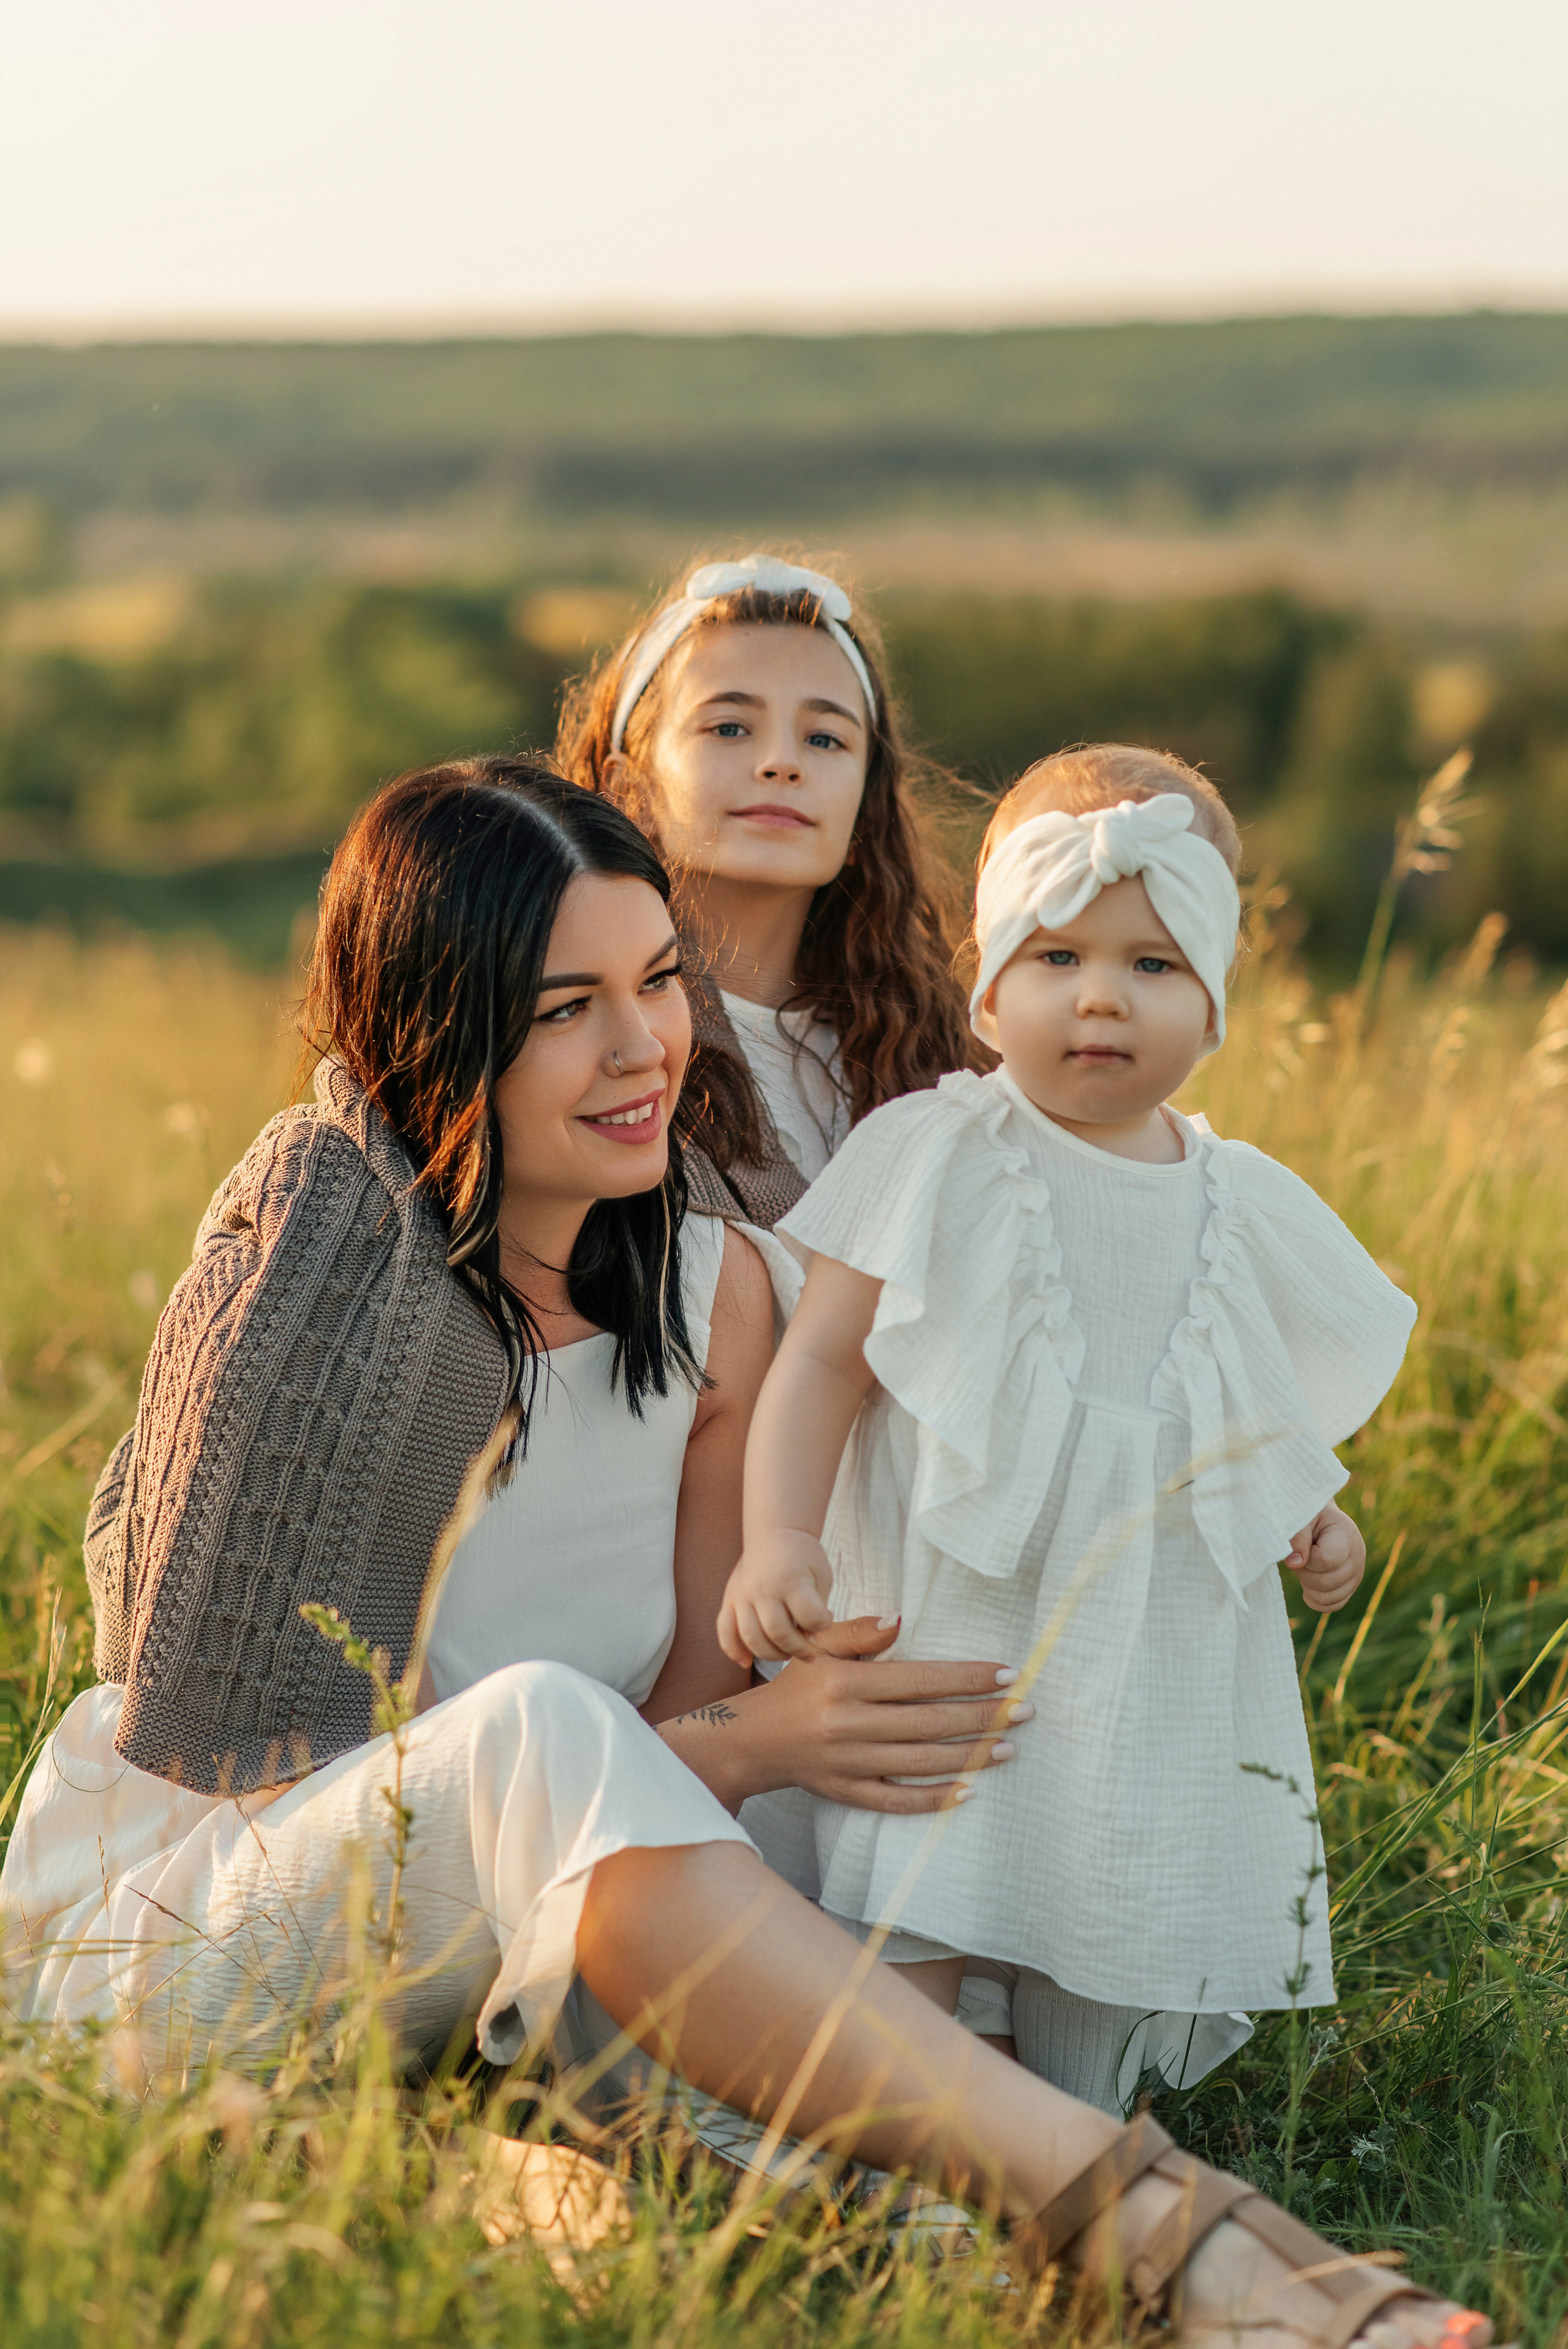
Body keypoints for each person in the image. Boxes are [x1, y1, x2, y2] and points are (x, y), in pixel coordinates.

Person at [0, 755, 1494, 2349]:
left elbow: (706, 1743)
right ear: (444, 1024)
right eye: (567, 1002)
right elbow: (262, 1751)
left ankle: (1063, 2259)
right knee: (548, 1731)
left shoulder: (718, 1288)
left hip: (523, 1941)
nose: (645, 1044)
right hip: (198, 1933)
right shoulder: (316, 1266)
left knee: (864, 2042)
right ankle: (1182, 2235)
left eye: (659, 980)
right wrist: (739, 1740)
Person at [718, 744, 1415, 2115]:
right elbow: (820, 1363)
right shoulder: (937, 1148)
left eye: (1153, 967)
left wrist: (1307, 1513)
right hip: (952, 1623)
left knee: (1114, 1891)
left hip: (1145, 1646)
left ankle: (1082, 2143)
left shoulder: (1238, 1199)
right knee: (920, 1875)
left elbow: (1240, 1408)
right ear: (987, 983)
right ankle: (909, 2153)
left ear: (1213, 1004)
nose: (1100, 996)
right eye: (1055, 959)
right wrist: (776, 1536)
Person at [556, 549, 982, 1235]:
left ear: (866, 803)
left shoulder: (938, 1057)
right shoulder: (555, 1029)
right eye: (729, 727)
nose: (782, 762)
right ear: (626, 786)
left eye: (824, 738)